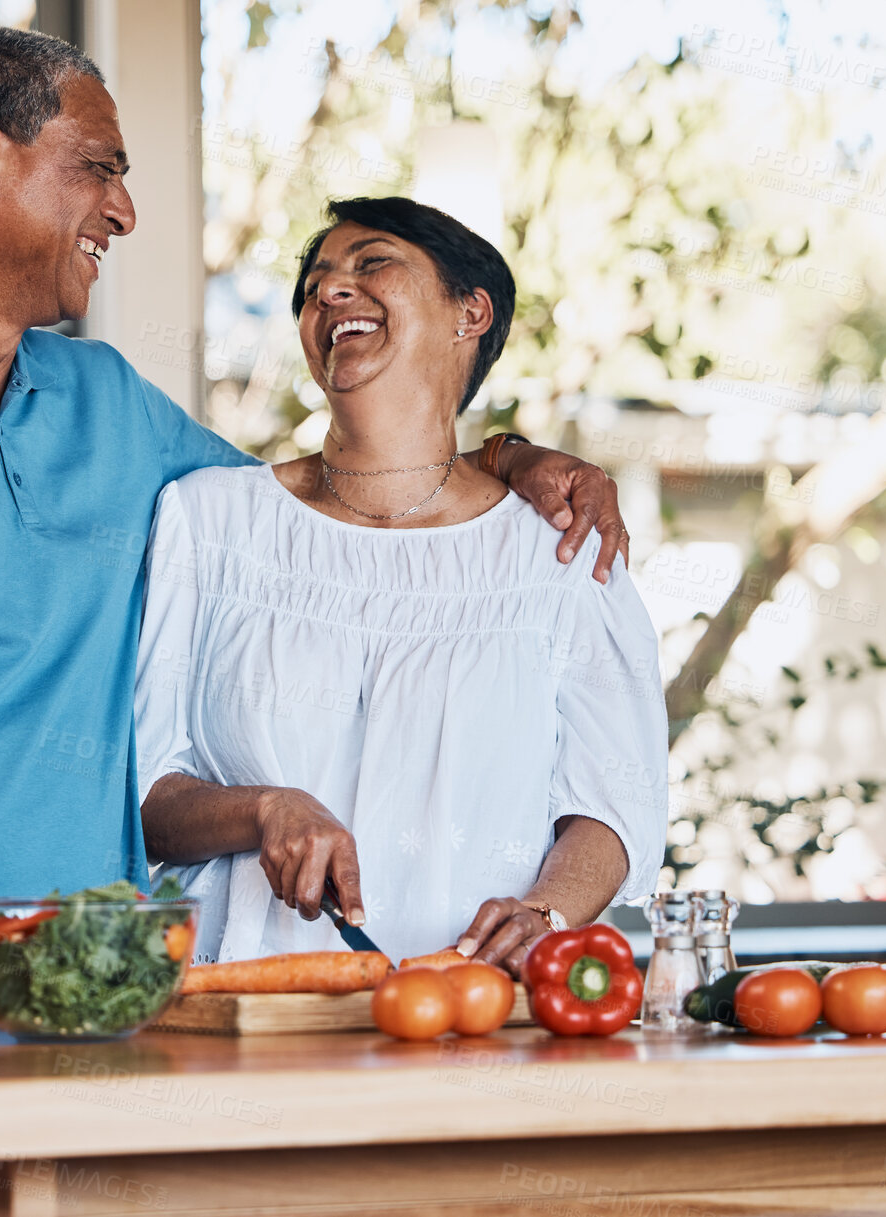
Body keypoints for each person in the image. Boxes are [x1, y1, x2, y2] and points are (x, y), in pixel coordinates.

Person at [0, 27, 635, 1035]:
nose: (124, 209)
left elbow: (330, 513)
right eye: (96, 168)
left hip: (90, 1029)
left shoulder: (100, 399)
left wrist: (507, 461)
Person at [136, 197, 667, 976]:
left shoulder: (560, 543)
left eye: (370, 263)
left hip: (472, 1008)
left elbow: (614, 801)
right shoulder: (209, 519)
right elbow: (145, 797)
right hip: (239, 1007)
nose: (329, 293)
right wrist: (263, 808)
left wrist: (544, 912)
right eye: (315, 284)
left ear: (470, 312)